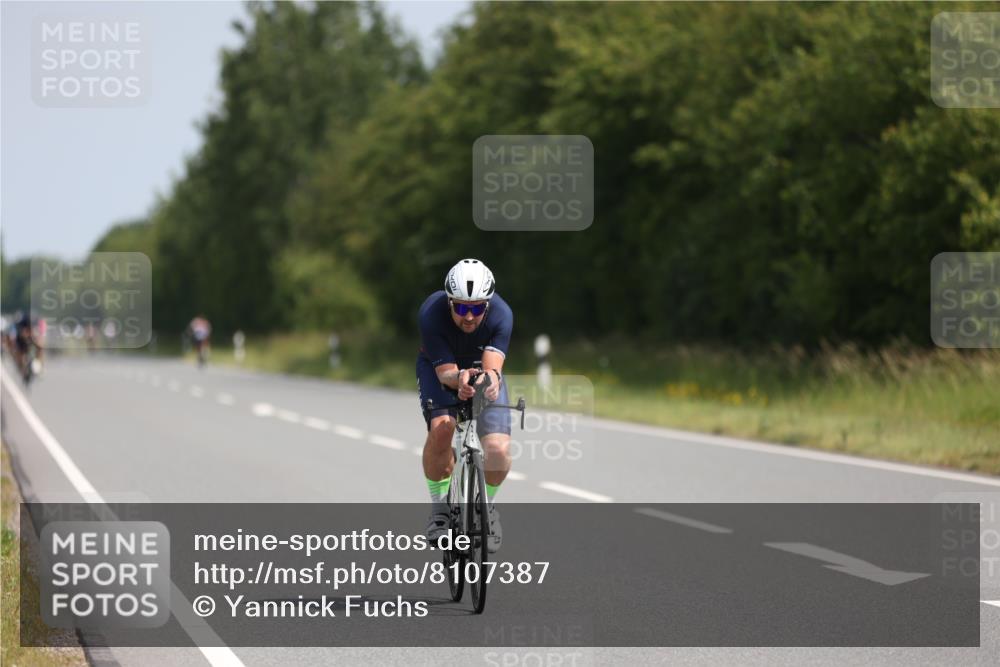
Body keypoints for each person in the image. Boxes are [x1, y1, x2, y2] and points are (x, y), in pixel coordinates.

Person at [417, 259, 513, 553]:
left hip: (480, 368)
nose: (469, 317)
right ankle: (439, 512)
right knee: (443, 428)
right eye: (461, 308)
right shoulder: (431, 313)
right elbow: (445, 372)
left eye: (476, 308)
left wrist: (492, 379)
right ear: (449, 303)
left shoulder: (502, 314)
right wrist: (459, 379)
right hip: (442, 370)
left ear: (488, 304)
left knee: (497, 450)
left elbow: (493, 365)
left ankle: (489, 508)